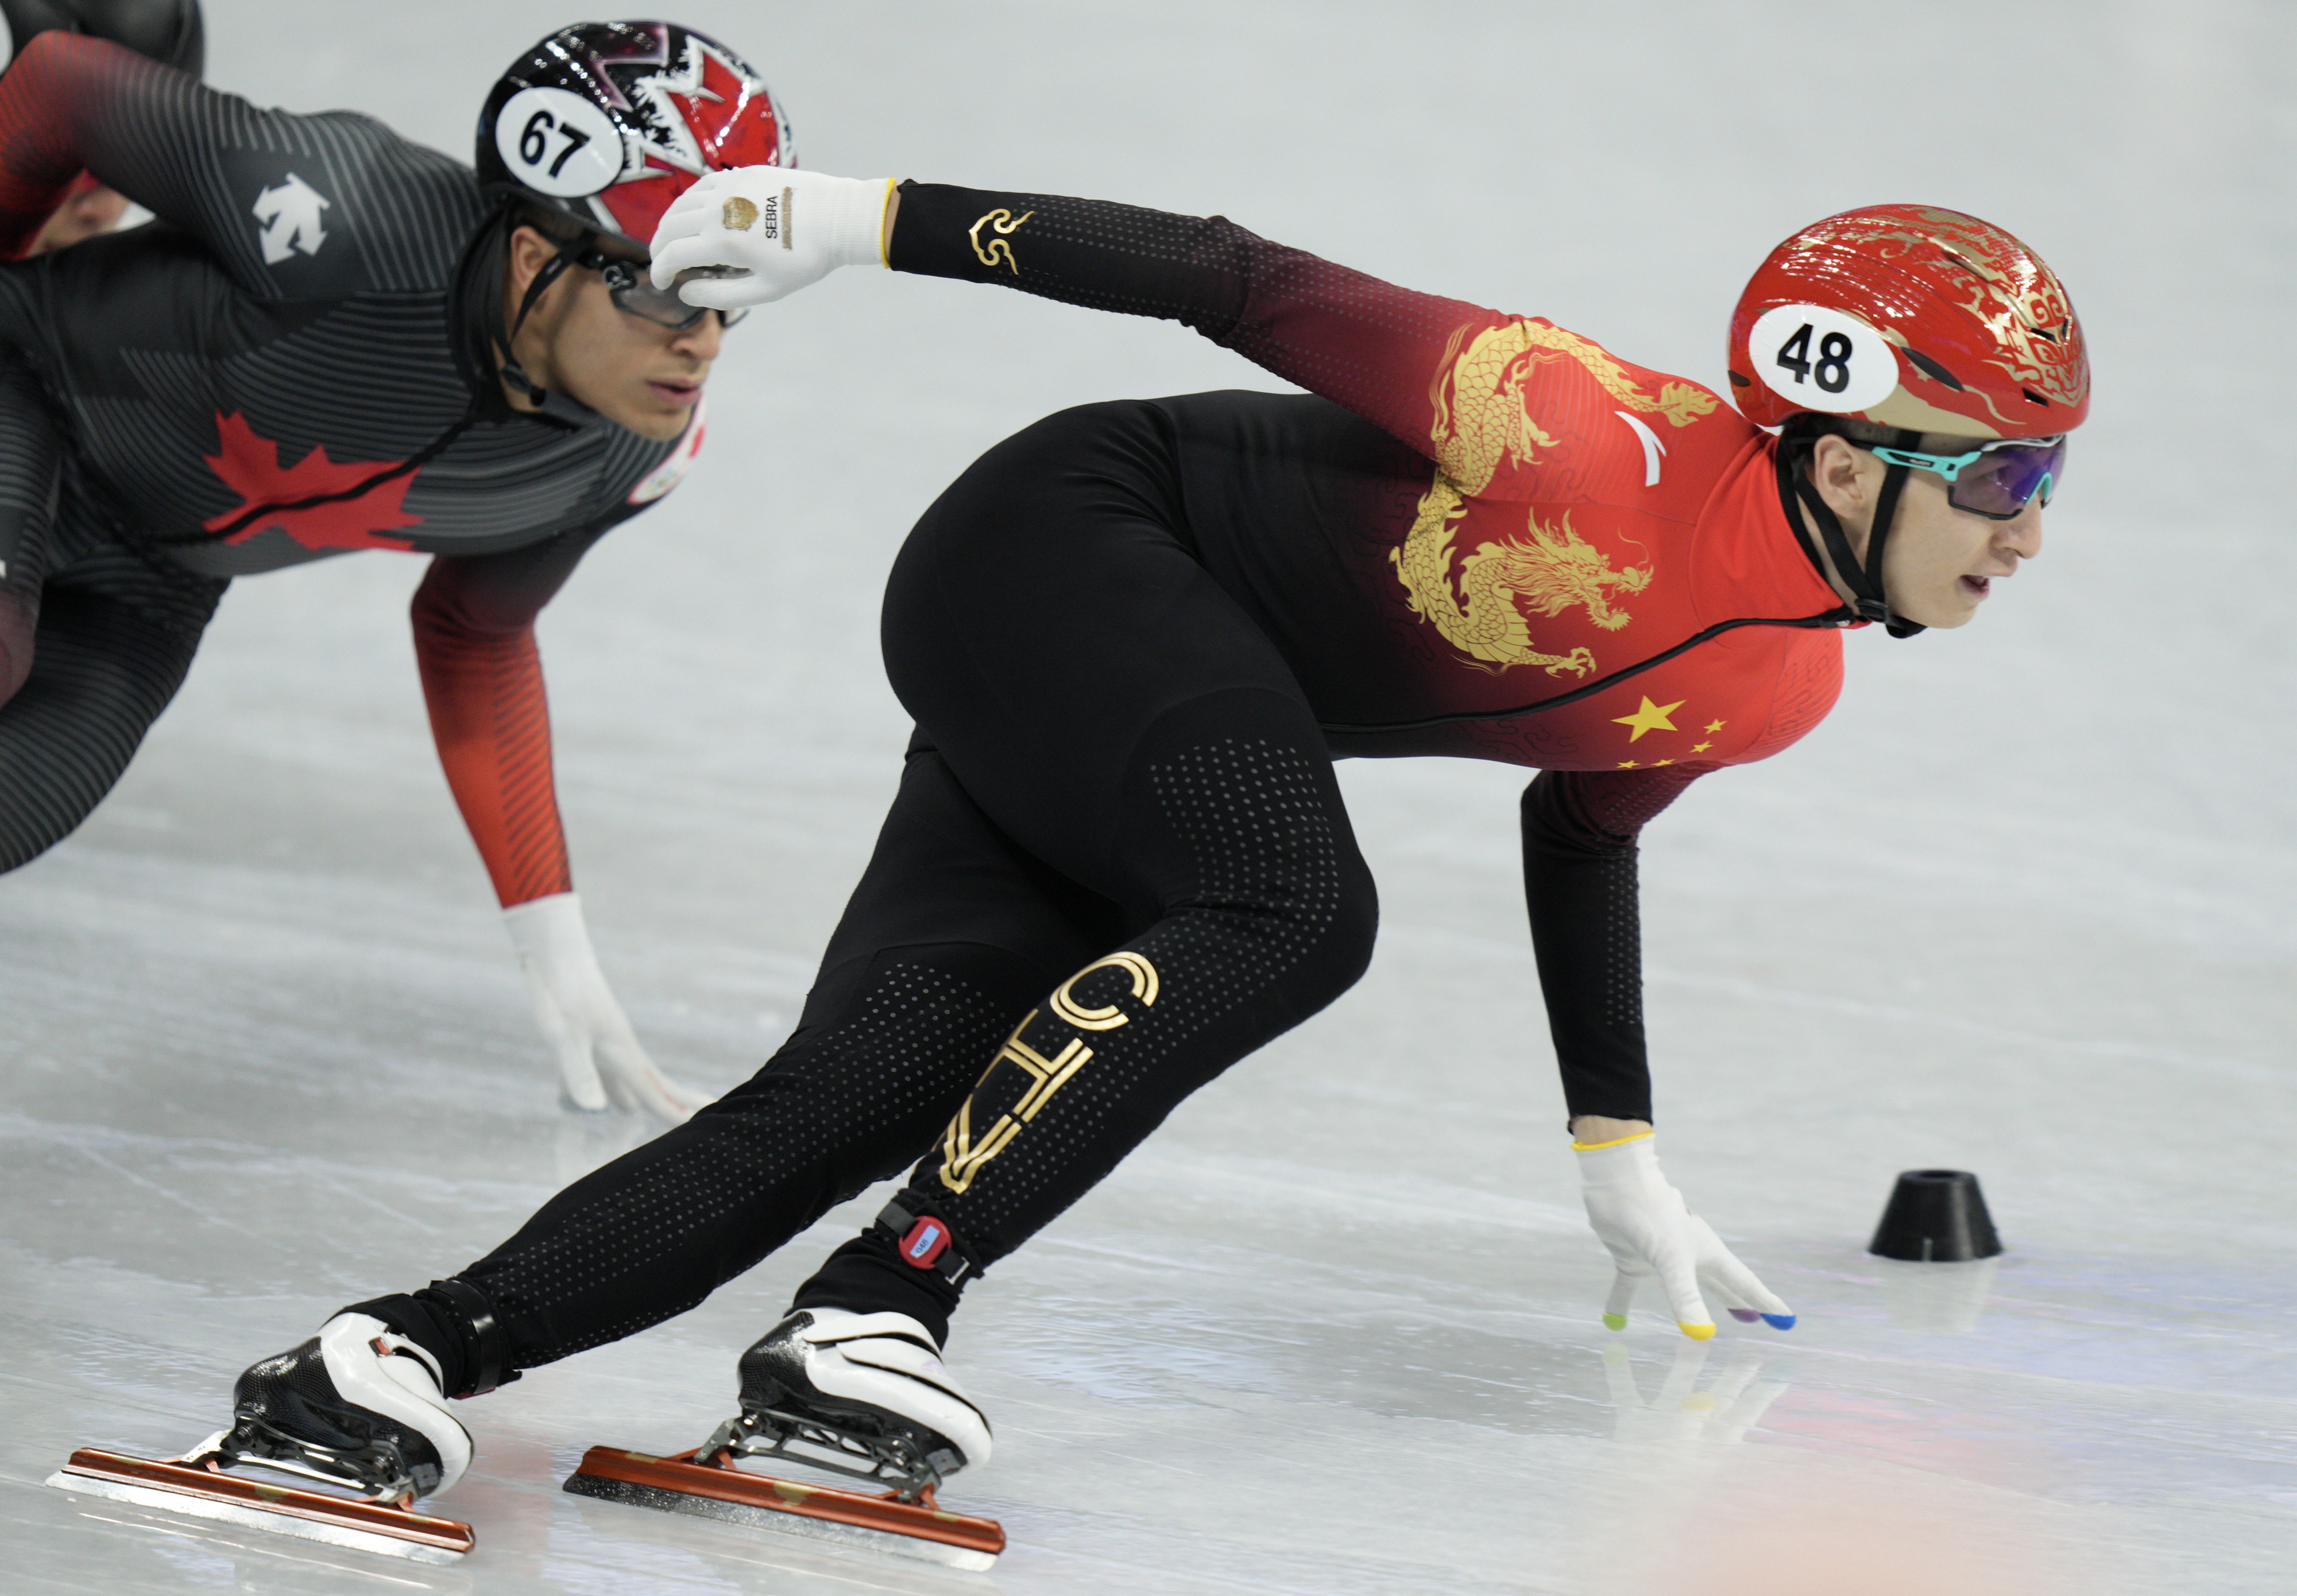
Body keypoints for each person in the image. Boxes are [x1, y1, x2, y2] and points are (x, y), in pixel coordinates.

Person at [206, 173, 2085, 1511]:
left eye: (2048, 478)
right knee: (1296, 902)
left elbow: (1584, 833)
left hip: (1154, 713)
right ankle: (882, 1303)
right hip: (1072, 543)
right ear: (1850, 454)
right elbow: (1229, 275)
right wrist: (862, 216)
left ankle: (386, 1356)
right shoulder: (1583, 430)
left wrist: (1620, 1147)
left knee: (860, 1090)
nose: (2027, 531)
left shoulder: (1784, 687)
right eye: (2003, 474)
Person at [0, 20, 807, 1118]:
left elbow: (476, 632)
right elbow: (60, 83)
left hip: (155, 578)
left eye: (733, 295)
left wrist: (552, 934)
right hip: (27, 394)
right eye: (664, 292)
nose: (702, 342)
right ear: (535, 257)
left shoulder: (629, 456)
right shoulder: (349, 218)